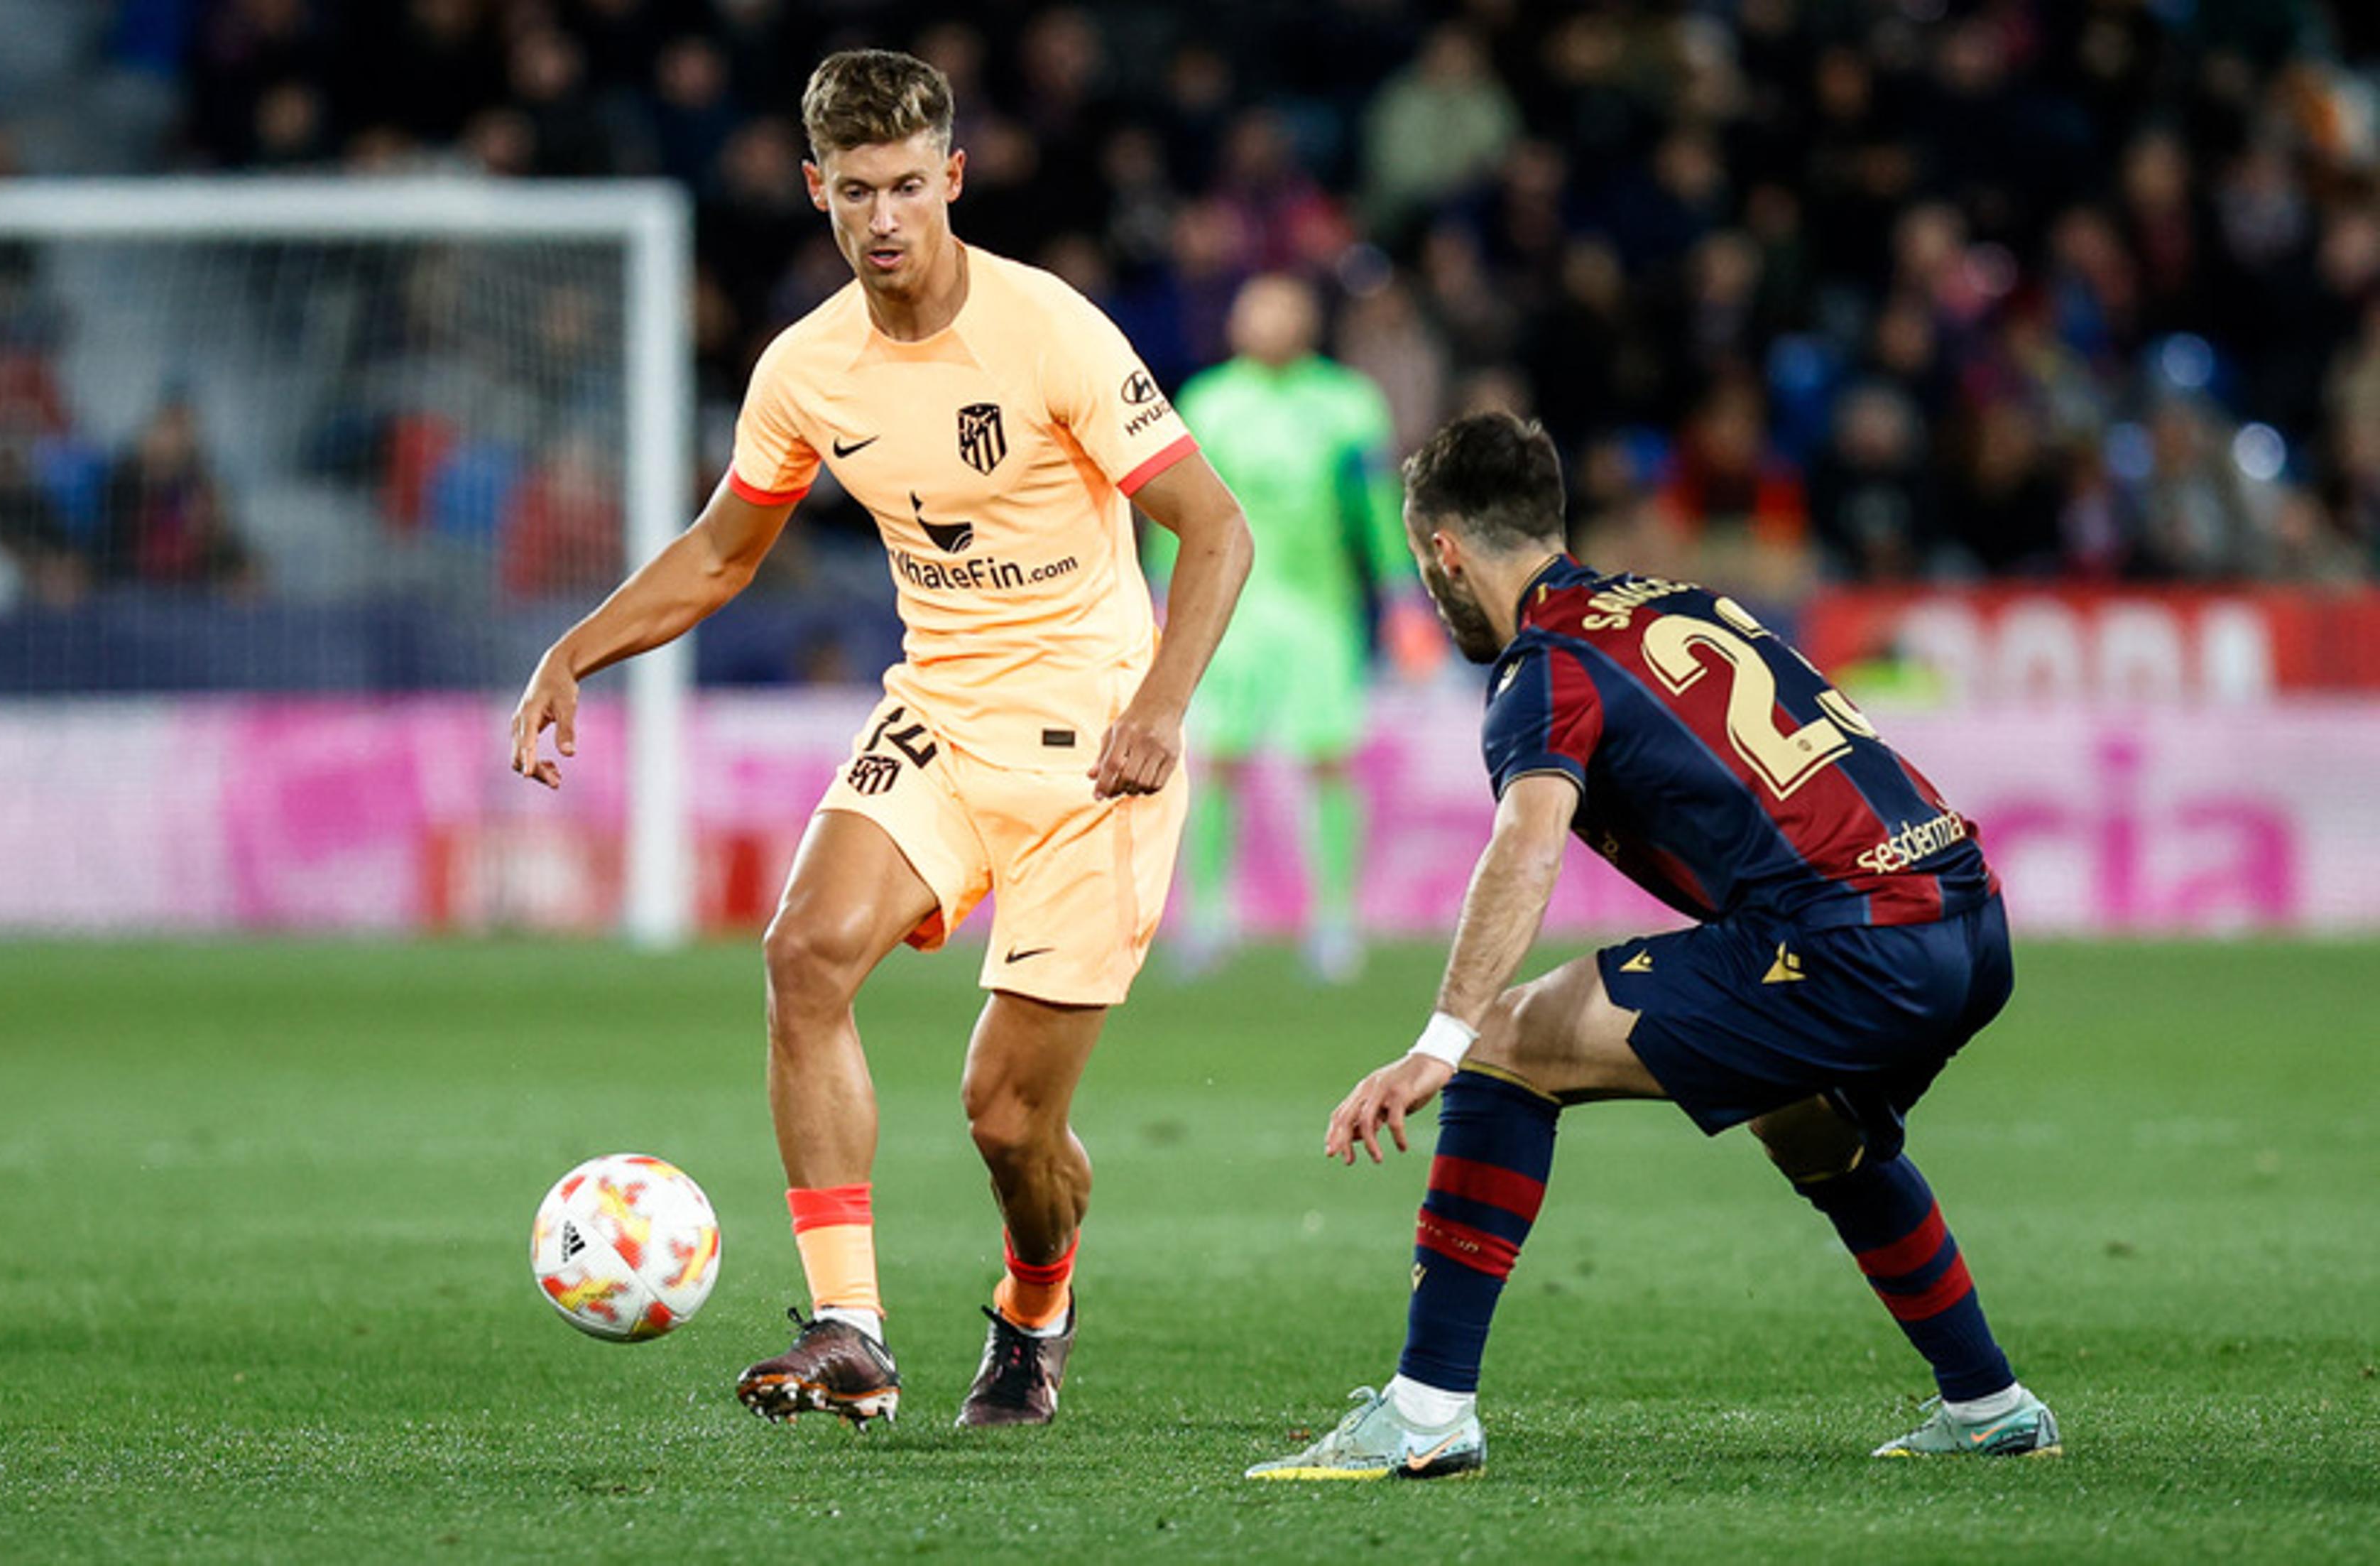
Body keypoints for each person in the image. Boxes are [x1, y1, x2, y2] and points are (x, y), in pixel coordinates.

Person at [507, 49, 1252, 1430]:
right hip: (939, 714)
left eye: (911, 184)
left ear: (953, 178)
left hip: (1094, 746)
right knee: (803, 955)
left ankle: (1038, 1301)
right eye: (857, 192)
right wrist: (572, 653)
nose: (887, 216)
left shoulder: (1053, 333)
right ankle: (850, 1325)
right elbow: (723, 553)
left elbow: (1215, 528)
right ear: (818, 193)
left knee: (1008, 1124)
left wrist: (1160, 706)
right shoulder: (807, 368)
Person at [1248, 412, 2055, 1480]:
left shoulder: (1545, 666)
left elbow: (1526, 849)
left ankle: (1426, 1410)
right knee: (1808, 1122)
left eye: (1422, 559)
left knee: (1505, 1042)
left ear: (1442, 550)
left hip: (1857, 943)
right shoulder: (1680, 601)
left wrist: (1439, 1040)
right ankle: (1990, 1403)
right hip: (1969, 917)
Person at [1147, 271, 1421, 982]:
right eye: (1254, 310)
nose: (1266, 322)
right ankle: (1207, 918)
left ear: (1306, 321)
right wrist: (1155, 595)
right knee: (1218, 761)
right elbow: (1175, 510)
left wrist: (1402, 597)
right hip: (1225, 611)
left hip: (1319, 609)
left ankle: (1334, 920)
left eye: (1280, 310)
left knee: (1329, 758)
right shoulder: (1209, 401)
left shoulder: (1347, 404)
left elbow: (1374, 504)